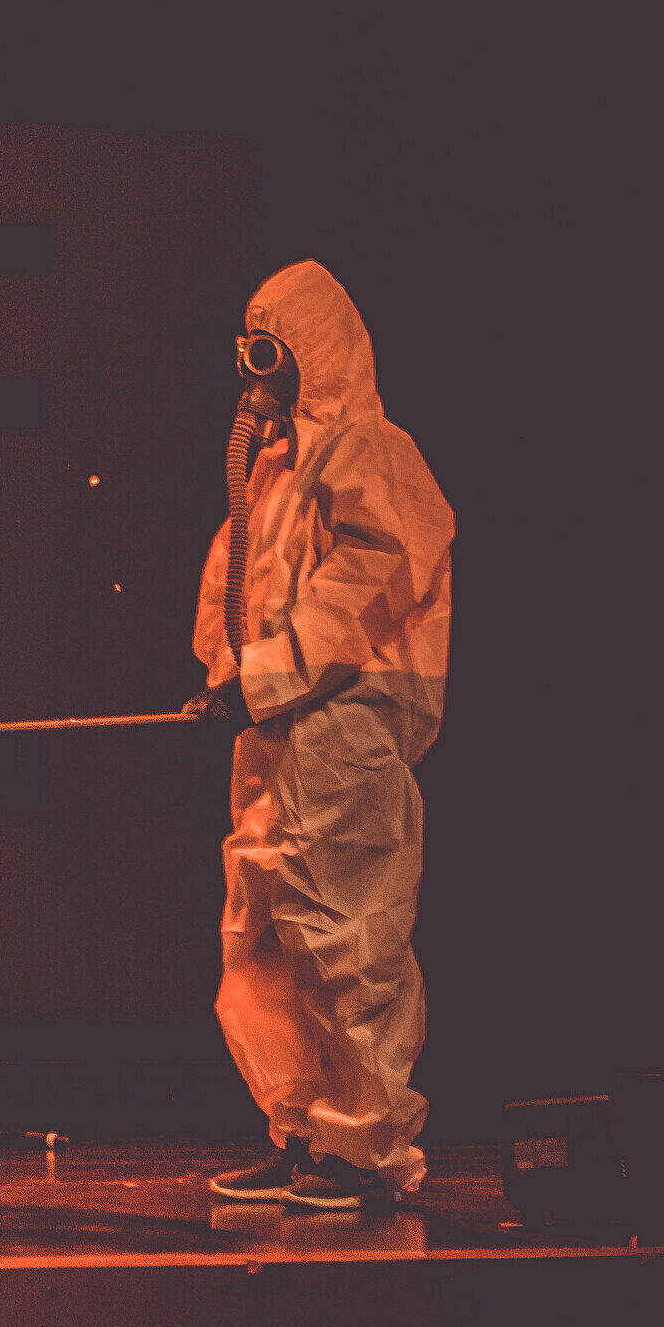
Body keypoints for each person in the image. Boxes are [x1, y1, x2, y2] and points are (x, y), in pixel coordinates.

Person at [192, 262, 452, 1212]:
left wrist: (261, 674)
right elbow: (237, 577)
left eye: (271, 351)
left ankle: (366, 1145)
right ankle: (301, 1127)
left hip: (344, 726)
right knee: (264, 935)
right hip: (276, 723)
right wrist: (226, 675)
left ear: (316, 354)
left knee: (347, 931)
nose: (254, 370)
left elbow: (374, 576)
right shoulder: (278, 466)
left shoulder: (372, 452)